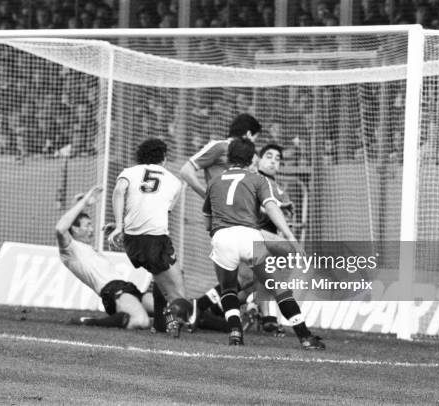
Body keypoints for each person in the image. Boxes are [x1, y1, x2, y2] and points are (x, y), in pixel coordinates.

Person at [203, 138, 325, 349]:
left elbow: (207, 218)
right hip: (250, 237)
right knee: (278, 287)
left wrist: (217, 235)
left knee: (229, 290)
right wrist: (290, 237)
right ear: (252, 158)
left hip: (222, 237)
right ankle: (305, 336)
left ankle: (235, 334)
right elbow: (271, 208)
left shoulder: (214, 180)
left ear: (229, 157)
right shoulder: (258, 180)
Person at [181, 113, 262, 328]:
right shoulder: (219, 147)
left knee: (248, 278)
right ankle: (209, 309)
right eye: (255, 138)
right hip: (226, 220)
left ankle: (203, 308)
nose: (255, 144)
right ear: (247, 134)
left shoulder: (245, 158)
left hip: (244, 219)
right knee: (275, 257)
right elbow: (186, 170)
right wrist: (206, 195)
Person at [108, 138, 192, 338]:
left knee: (160, 278)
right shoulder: (174, 182)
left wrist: (120, 226)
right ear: (164, 158)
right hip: (156, 239)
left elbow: (119, 191)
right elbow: (164, 211)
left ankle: (163, 325)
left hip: (133, 241)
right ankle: (174, 323)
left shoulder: (129, 172)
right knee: (179, 294)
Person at [55, 186, 152, 330]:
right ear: (75, 229)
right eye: (87, 225)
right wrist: (83, 202)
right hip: (112, 291)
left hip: (128, 288)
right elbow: (61, 228)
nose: (92, 229)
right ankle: (90, 322)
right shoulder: (70, 250)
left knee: (167, 310)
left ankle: (190, 319)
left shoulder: (89, 249)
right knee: (141, 321)